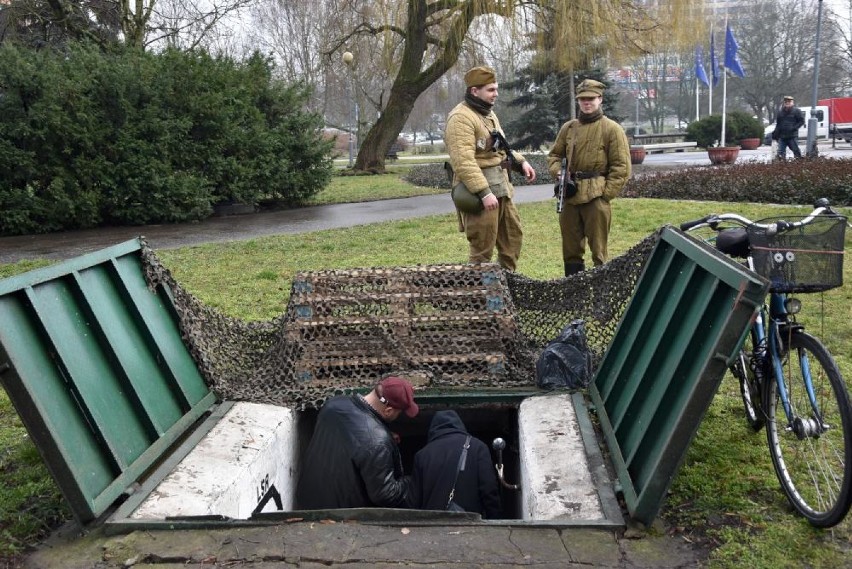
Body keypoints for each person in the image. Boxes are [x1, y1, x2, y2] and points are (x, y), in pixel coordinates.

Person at [444, 66, 537, 272]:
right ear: (474, 91)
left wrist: (521, 162)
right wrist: (484, 192)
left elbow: (501, 146)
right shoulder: (461, 118)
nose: (496, 94)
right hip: (479, 194)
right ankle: (479, 298)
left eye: (496, 89)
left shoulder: (488, 114)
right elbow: (463, 161)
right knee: (482, 248)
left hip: (501, 187)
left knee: (512, 240)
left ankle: (504, 290)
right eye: (491, 90)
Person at [547, 79, 631, 275]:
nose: (587, 102)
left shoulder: (612, 129)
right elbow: (554, 155)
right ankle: (573, 290)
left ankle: (600, 292)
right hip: (569, 194)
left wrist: (605, 195)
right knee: (570, 250)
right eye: (582, 99)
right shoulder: (569, 128)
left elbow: (622, 167)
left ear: (600, 99)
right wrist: (558, 172)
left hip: (596, 196)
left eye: (591, 98)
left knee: (599, 252)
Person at [295, 376, 419, 510]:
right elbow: (385, 495)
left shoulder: (333, 405)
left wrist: (383, 436)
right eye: (399, 413)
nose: (398, 416)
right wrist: (413, 481)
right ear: (388, 411)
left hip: (307, 501)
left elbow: (351, 436)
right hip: (339, 516)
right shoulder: (377, 442)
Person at [409, 410, 502, 519]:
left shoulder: (422, 455)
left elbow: (413, 502)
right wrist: (495, 521)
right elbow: (489, 490)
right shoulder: (478, 447)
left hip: (432, 528)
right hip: (469, 528)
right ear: (459, 426)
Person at [772, 95, 805, 160]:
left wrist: (794, 128)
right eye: (786, 102)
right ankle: (782, 165)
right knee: (780, 152)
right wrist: (775, 133)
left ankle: (799, 163)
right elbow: (778, 124)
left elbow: (801, 121)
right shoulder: (780, 112)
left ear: (792, 103)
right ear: (784, 103)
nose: (787, 103)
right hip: (782, 136)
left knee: (796, 151)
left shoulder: (797, 111)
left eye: (789, 102)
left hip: (792, 136)